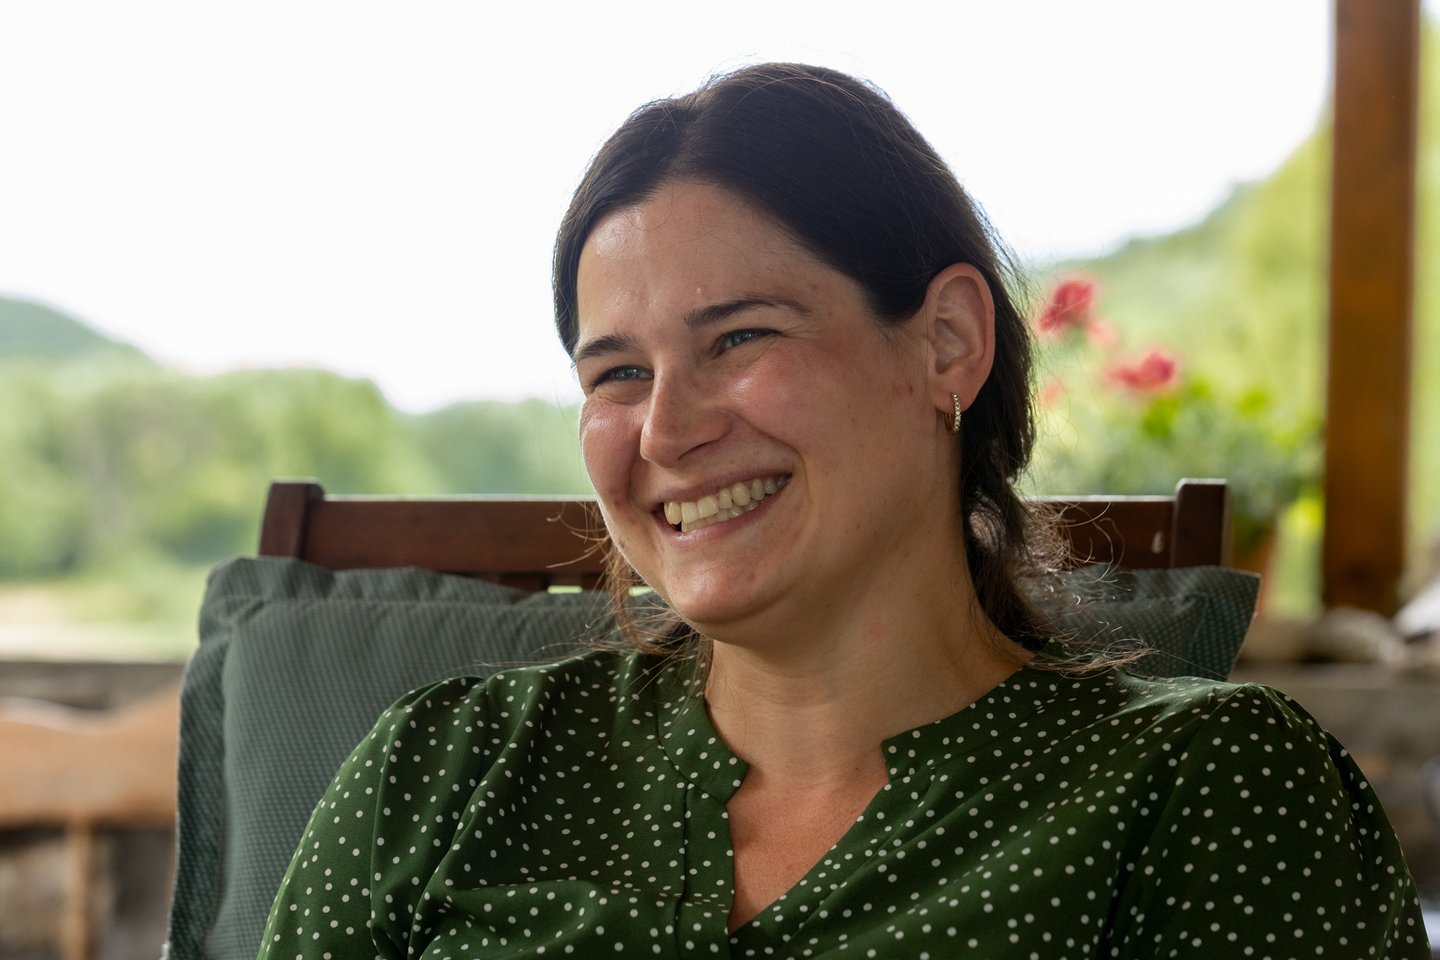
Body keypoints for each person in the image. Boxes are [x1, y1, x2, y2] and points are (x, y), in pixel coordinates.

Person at [259, 63, 1430, 958]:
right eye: (617, 372)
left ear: (947, 343)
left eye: (740, 337)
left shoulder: (1207, 788)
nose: (664, 431)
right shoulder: (442, 768)